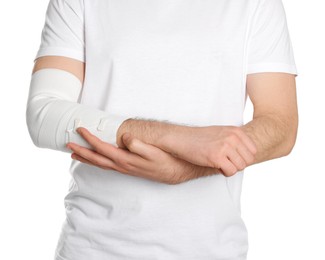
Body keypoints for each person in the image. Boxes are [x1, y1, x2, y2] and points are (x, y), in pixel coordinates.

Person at [25, 0, 298, 259]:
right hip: (92, 247)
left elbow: (280, 127)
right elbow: (45, 114)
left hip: (212, 249)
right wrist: (176, 138)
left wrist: (184, 169)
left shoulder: (257, 3)